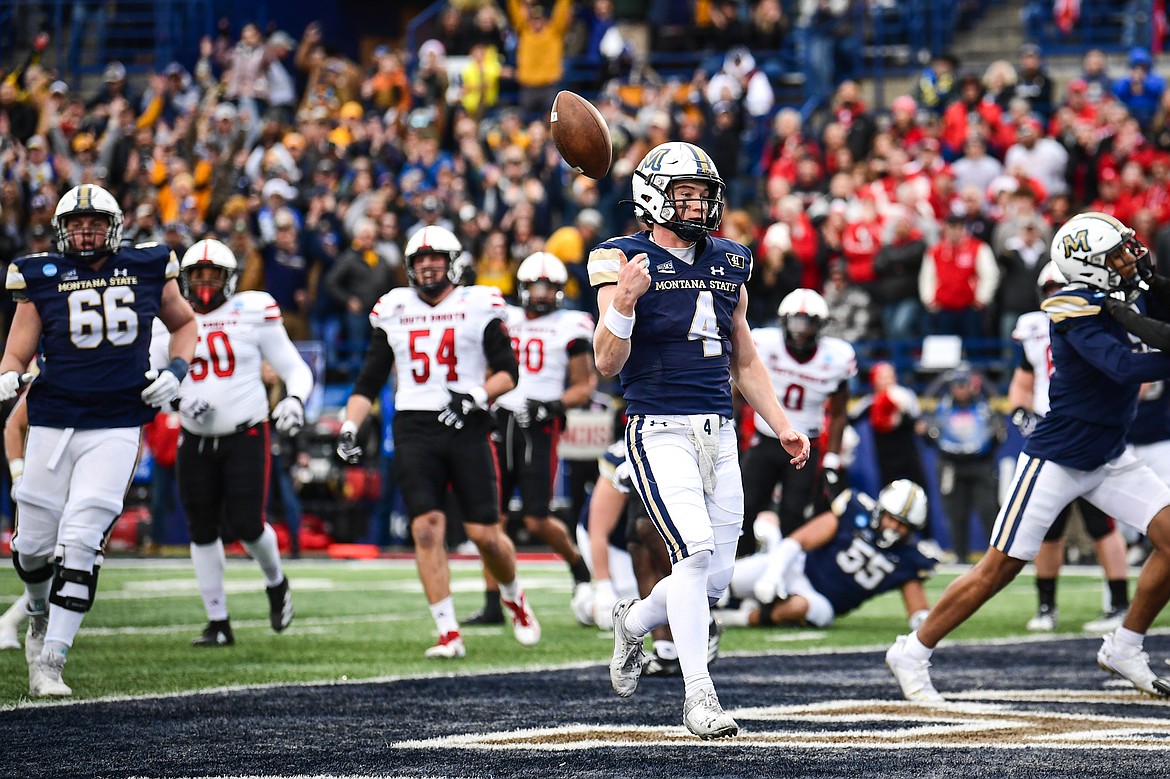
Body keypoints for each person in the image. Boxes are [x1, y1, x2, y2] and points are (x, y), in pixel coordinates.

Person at [886, 212, 1170, 703]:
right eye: (1116, 255)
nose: (1129, 259)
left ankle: (1125, 646)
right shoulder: (1067, 302)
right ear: (1088, 268)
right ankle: (912, 650)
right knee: (998, 568)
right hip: (1058, 457)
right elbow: (1122, 367)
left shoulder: (1121, 294)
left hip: (1108, 455)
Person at [590, 141, 811, 739]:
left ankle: (633, 621)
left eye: (701, 192)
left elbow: (744, 358)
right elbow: (606, 364)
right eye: (684, 192)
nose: (697, 203)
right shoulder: (619, 258)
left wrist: (781, 422)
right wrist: (627, 302)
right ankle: (699, 697)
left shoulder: (730, 260)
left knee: (712, 579)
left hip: (720, 431)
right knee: (691, 556)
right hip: (658, 426)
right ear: (652, 196)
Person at [0, 184, 198, 696]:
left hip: (115, 423)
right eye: (78, 224)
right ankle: (39, 613)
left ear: (113, 226)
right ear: (64, 229)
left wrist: (176, 370)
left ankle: (51, 660)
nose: (86, 233)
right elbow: (17, 350)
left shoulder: (150, 264)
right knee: (33, 548)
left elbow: (184, 323)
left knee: (85, 537)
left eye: (95, 224)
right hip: (52, 422)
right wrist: (8, 374)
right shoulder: (41, 274)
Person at [336, 225, 539, 659]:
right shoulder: (393, 307)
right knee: (426, 529)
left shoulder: (477, 303)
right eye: (419, 259)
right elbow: (368, 380)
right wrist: (349, 427)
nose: (427, 265)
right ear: (409, 267)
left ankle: (513, 594)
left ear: (453, 263)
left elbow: (508, 372)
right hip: (413, 426)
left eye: (436, 257)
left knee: (485, 534)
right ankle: (448, 631)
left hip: (466, 422)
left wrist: (477, 396)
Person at [150, 238, 313, 646]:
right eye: (198, 275)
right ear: (183, 280)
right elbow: (151, 381)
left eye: (213, 274)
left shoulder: (251, 310)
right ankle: (217, 621)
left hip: (246, 433)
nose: (205, 283)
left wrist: (294, 400)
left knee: (247, 523)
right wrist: (181, 399)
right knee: (201, 528)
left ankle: (276, 582)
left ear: (230, 279)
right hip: (195, 436)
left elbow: (295, 367)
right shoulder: (165, 319)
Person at [467, 252, 598, 626]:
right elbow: (489, 366)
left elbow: (584, 386)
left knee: (537, 519)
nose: (541, 294)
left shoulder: (570, 325)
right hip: (498, 419)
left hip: (538, 423)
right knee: (491, 518)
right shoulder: (503, 317)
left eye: (548, 287)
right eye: (534, 286)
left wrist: (551, 406)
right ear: (522, 287)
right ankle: (493, 603)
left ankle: (578, 566)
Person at [1009, 261, 1131, 633]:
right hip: (1052, 431)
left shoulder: (1097, 323)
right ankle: (1047, 605)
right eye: (1049, 290)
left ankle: (1119, 603)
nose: (1054, 297)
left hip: (1090, 429)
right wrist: (1020, 412)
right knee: (1049, 529)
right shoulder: (1033, 327)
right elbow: (1022, 381)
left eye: (1059, 288)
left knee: (1102, 525)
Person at [726, 480, 936, 631]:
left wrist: (924, 620)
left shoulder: (909, 557)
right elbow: (798, 541)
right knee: (725, 581)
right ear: (880, 511)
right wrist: (772, 577)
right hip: (798, 569)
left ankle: (736, 618)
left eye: (903, 525)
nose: (894, 527)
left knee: (798, 607)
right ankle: (742, 599)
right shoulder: (854, 512)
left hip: (823, 602)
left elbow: (918, 611)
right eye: (891, 518)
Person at [740, 288, 856, 552]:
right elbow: (737, 390)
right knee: (744, 509)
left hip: (806, 445)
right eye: (796, 322)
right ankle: (743, 566)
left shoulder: (836, 358)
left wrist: (833, 458)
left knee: (794, 515)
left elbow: (838, 413)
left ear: (820, 325)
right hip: (765, 439)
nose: (801, 330)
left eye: (809, 323)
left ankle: (786, 576)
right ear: (783, 321)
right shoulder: (764, 343)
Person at [0, 391, 31, 649]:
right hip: (45, 479)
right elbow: (13, 426)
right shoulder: (59, 372)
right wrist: (19, 476)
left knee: (81, 559)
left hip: (88, 478)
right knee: (36, 558)